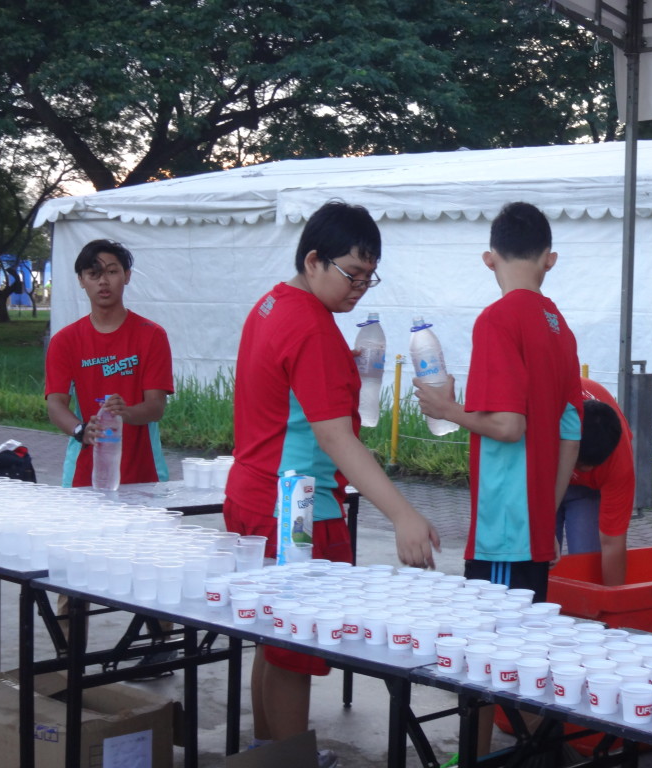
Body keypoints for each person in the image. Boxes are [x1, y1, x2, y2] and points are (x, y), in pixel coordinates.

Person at [224, 201, 441, 761]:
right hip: (296, 510)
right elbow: (337, 440)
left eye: (370, 278)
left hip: (254, 494)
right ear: (314, 260)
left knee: (273, 642)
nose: (360, 289)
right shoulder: (311, 327)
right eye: (352, 274)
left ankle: (271, 752)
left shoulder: (270, 304)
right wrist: (402, 514)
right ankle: (291, 758)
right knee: (295, 652)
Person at [414, 201, 583, 602]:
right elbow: (571, 434)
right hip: (533, 526)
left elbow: (509, 426)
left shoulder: (497, 319)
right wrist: (545, 521)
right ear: (550, 260)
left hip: (505, 528)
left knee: (492, 653)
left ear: (489, 260)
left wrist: (447, 410)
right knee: (521, 654)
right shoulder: (560, 327)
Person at [45, 239, 173, 487]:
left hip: (143, 475)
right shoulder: (65, 341)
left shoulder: (152, 335)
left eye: (112, 272)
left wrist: (125, 413)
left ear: (126, 276)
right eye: (94, 274)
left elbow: (156, 407)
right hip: (82, 477)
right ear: (81, 280)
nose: (103, 281)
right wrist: (81, 430)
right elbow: (55, 405)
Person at [557, 378, 634, 586]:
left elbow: (612, 543)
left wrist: (614, 605)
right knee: (533, 558)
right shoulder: (545, 422)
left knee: (588, 568)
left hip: (586, 493)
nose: (586, 471)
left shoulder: (619, 464)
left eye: (594, 466)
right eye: (581, 465)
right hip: (542, 482)